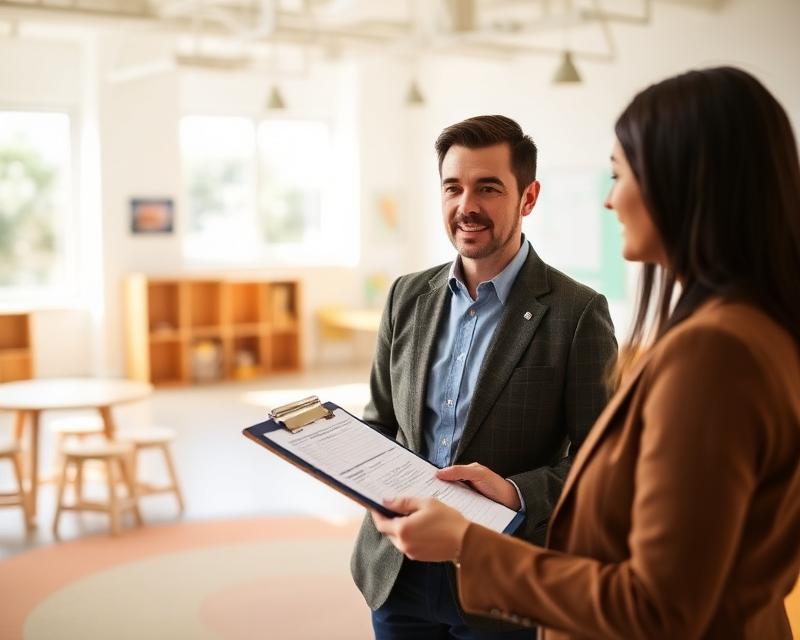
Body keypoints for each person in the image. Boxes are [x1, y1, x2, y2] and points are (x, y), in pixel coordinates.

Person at [372, 67, 800, 639]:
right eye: (453, 186)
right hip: (402, 575)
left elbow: (656, 606)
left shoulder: (711, 353)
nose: (608, 199)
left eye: (621, 173)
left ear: (686, 183)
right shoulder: (756, 330)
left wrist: (471, 542)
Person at [351, 114, 618, 638]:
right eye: (453, 187)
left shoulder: (577, 313)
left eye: (488, 188)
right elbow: (380, 423)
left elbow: (604, 464)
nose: (466, 206)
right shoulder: (407, 296)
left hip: (500, 574)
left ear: (529, 197)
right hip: (396, 570)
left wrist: (516, 493)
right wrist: (355, 476)